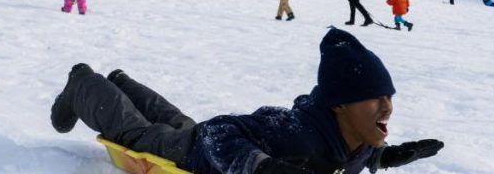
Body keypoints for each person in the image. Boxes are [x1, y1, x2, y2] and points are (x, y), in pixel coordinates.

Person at [50, 28, 444, 174]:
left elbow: (345, 158)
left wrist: (386, 157)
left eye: (388, 96)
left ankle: (123, 82)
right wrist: (263, 167)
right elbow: (221, 131)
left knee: (175, 120)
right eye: (374, 99)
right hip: (195, 153)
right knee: (137, 132)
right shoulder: (297, 134)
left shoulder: (346, 137)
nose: (387, 106)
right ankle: (82, 84)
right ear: (340, 105)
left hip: (196, 137)